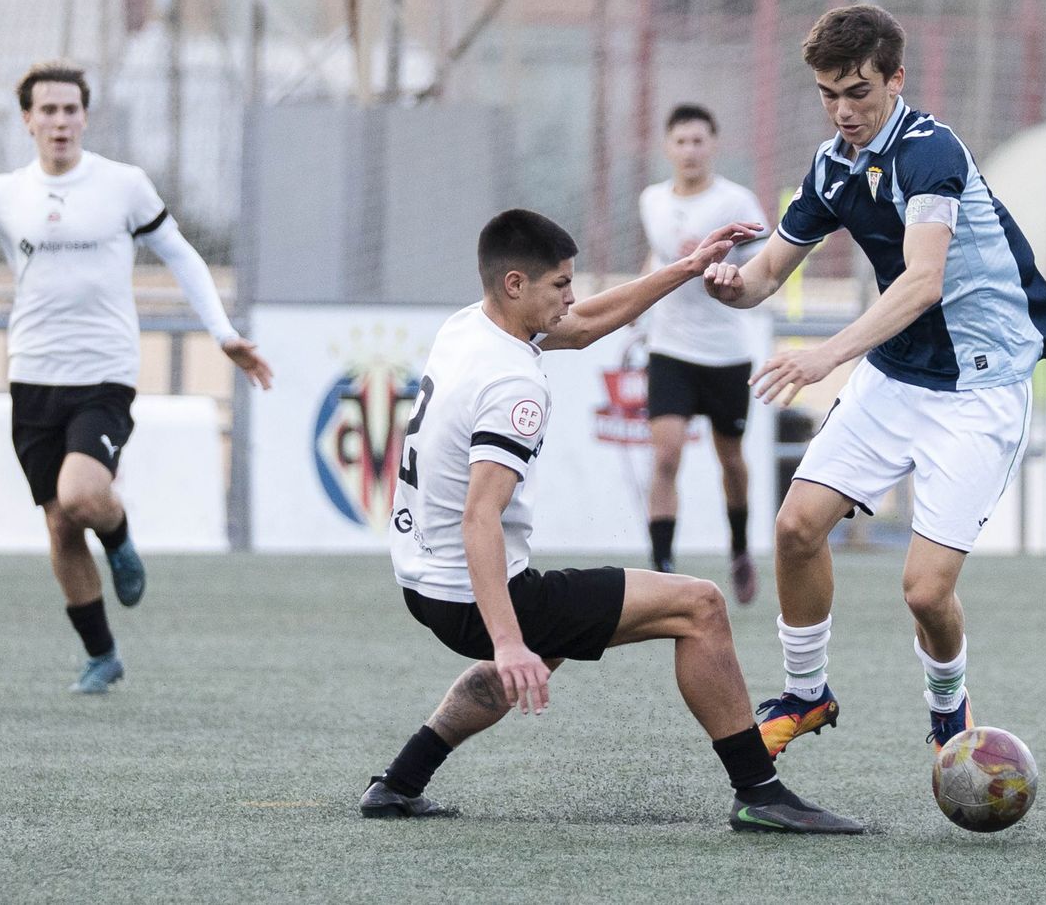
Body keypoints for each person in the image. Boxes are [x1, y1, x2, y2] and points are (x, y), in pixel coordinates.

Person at [360, 209, 859, 835]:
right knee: (699, 606)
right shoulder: (514, 385)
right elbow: (480, 518)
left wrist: (686, 268)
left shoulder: (469, 326)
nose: (572, 297)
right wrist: (508, 640)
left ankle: (400, 782)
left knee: (550, 642)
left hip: (421, 580)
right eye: (560, 284)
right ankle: (760, 792)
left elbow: (583, 327)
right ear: (515, 284)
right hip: (472, 592)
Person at [701, 5, 1046, 758]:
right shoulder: (832, 165)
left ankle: (948, 707)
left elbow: (924, 280)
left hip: (979, 386)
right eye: (828, 94)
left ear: (896, 79)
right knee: (796, 529)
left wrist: (826, 355)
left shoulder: (930, 151)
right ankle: (806, 695)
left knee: (925, 592)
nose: (843, 110)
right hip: (897, 376)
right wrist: (728, 284)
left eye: (858, 91)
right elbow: (766, 276)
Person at [0, 61, 272, 694]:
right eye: (48, 110)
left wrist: (223, 332)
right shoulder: (4, 194)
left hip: (104, 375)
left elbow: (180, 254)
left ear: (85, 117)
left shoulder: (123, 186)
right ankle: (102, 654)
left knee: (83, 497)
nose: (60, 121)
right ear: (28, 120)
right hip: (33, 379)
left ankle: (117, 537)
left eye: (70, 109)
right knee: (60, 524)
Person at [637, 103, 769, 600]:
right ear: (667, 147)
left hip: (725, 353)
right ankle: (662, 566)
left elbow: (764, 268)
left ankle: (739, 549)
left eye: (698, 141)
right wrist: (636, 306)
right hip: (669, 349)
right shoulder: (651, 200)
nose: (690, 150)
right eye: (681, 141)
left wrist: (721, 268)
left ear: (713, 145)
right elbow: (655, 257)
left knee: (730, 458)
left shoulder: (736, 202)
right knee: (666, 455)